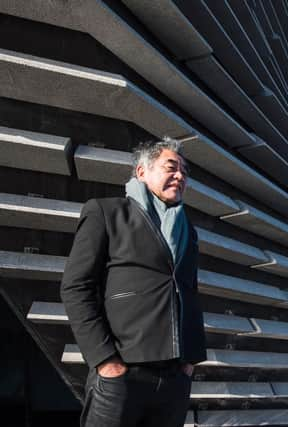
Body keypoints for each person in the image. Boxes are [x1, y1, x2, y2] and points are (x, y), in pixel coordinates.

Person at [60, 138, 206, 427]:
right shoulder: (106, 212)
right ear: (142, 172)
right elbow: (76, 287)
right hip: (122, 374)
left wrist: (190, 361)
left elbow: (190, 292)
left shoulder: (187, 228)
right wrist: (105, 360)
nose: (180, 175)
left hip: (175, 378)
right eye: (171, 167)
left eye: (185, 172)